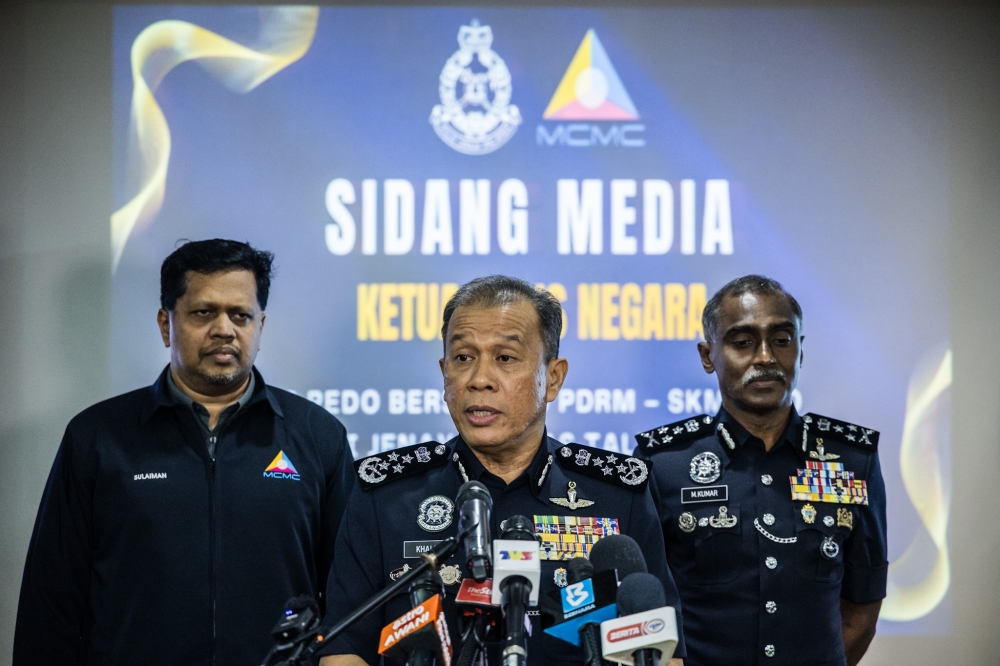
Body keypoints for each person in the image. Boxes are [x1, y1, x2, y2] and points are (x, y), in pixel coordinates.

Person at [13, 239, 356, 666]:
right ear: (165, 323)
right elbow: (52, 600)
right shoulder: (97, 437)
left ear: (260, 327)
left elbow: (350, 597)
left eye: (240, 315)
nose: (224, 329)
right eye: (203, 312)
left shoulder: (317, 436)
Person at [318, 275, 684, 666]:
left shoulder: (618, 496)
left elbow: (662, 654)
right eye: (463, 358)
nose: (479, 380)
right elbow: (345, 652)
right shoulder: (386, 497)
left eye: (505, 358)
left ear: (553, 378)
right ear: (445, 374)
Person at [634, 275, 887, 666]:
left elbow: (861, 610)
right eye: (743, 342)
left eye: (782, 340)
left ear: (800, 351)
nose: (766, 357)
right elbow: (647, 607)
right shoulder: (664, 463)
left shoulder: (852, 461)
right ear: (707, 355)